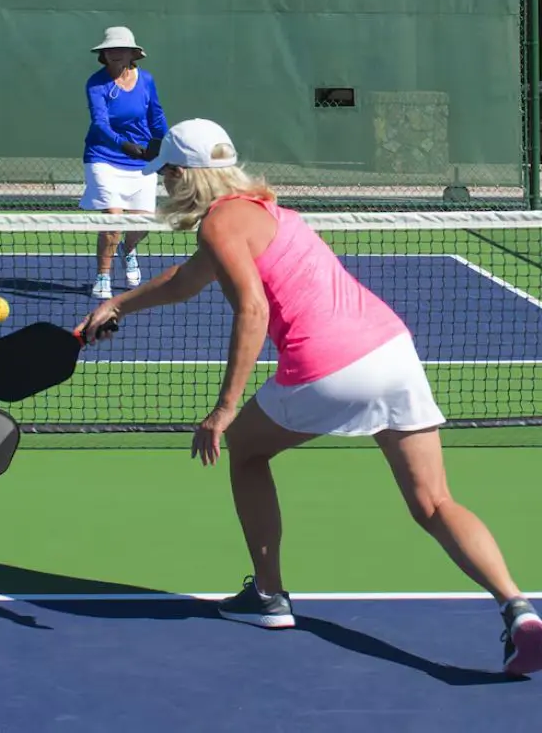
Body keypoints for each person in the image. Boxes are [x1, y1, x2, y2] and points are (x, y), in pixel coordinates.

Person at [76, 118, 542, 676]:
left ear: (184, 175)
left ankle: (269, 596)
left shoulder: (220, 226)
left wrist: (224, 409)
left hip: (329, 365)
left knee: (246, 450)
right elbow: (185, 280)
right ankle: (518, 610)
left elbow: (253, 309)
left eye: (168, 174)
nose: (165, 185)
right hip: (391, 350)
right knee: (434, 503)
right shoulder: (265, 213)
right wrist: (118, 305)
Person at [80, 26, 168, 300]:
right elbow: (100, 123)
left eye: (121, 49)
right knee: (114, 219)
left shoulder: (147, 81)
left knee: (143, 222)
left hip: (141, 160)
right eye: (110, 49)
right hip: (104, 156)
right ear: (103, 54)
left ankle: (128, 250)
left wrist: (163, 146)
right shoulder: (96, 84)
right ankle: (103, 276)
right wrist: (124, 145)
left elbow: (156, 116)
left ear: (132, 54)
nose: (115, 53)